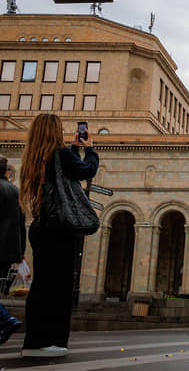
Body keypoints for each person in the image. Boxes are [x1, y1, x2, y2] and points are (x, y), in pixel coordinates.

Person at [18, 114, 99, 358]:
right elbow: (85, 171)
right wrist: (91, 150)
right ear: (55, 131)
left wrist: (73, 147)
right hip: (60, 229)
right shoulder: (60, 154)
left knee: (42, 286)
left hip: (41, 228)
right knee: (60, 288)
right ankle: (52, 340)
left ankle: (33, 341)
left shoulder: (34, 158)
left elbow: (64, 172)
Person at [0, 155, 25, 345]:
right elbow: (21, 223)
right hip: (7, 251)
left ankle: (6, 319)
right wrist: (20, 251)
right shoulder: (14, 190)